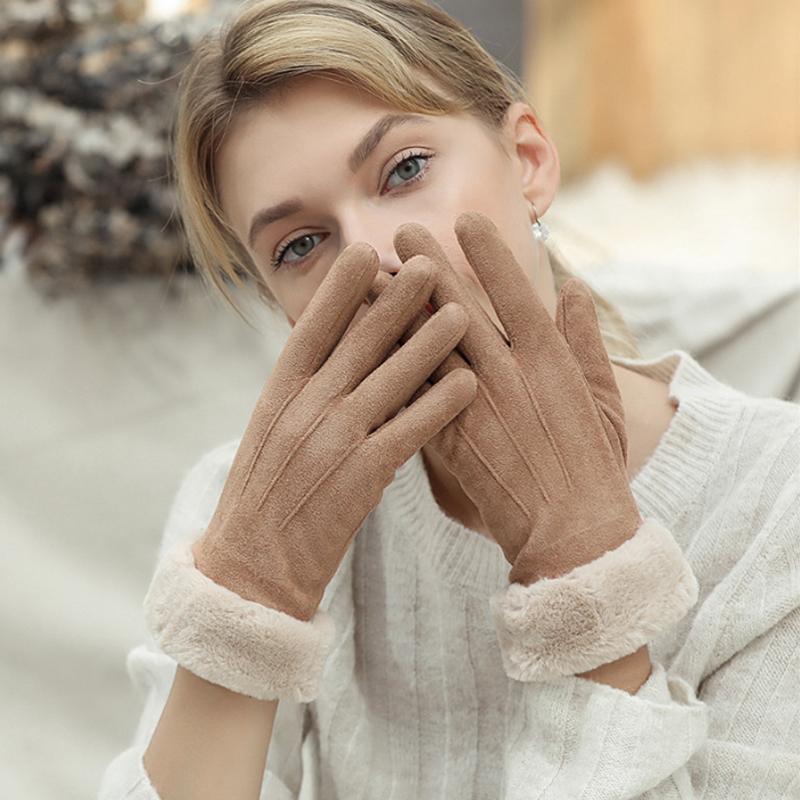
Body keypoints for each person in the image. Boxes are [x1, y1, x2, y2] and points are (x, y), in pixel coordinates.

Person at [98, 1, 800, 798]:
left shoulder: (778, 498)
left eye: (405, 169)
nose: (369, 255)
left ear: (529, 159)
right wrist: (250, 603)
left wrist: (589, 577)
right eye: (300, 246)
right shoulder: (235, 510)